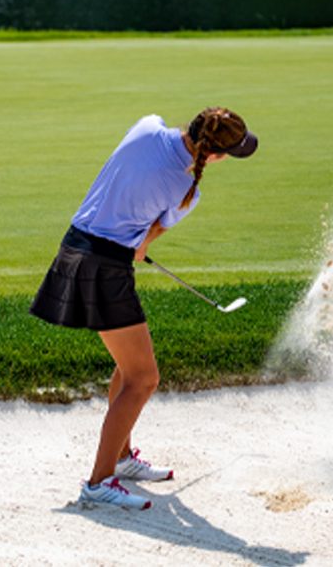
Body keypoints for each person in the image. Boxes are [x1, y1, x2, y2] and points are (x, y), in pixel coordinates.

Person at [29, 107, 257, 510]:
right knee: (143, 378)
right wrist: (143, 241)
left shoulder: (146, 125)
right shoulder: (186, 192)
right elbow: (143, 242)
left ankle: (121, 458)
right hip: (104, 268)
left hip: (75, 248)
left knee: (128, 365)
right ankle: (98, 482)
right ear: (217, 155)